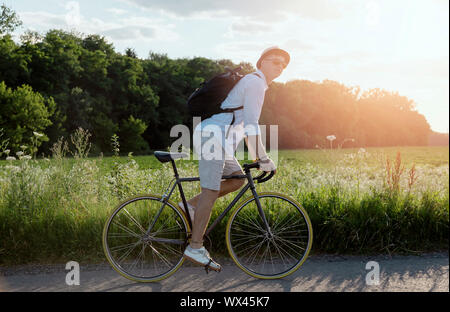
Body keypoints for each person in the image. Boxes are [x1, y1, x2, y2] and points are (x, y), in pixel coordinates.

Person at [181, 46, 290, 272]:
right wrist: (262, 157)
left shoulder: (257, 84)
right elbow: (251, 123)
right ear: (261, 62)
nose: (279, 66)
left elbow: (246, 124)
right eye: (275, 61)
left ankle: (189, 206)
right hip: (213, 136)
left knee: (237, 180)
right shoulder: (255, 83)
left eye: (283, 64)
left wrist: (258, 156)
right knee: (210, 191)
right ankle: (195, 246)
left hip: (220, 140)